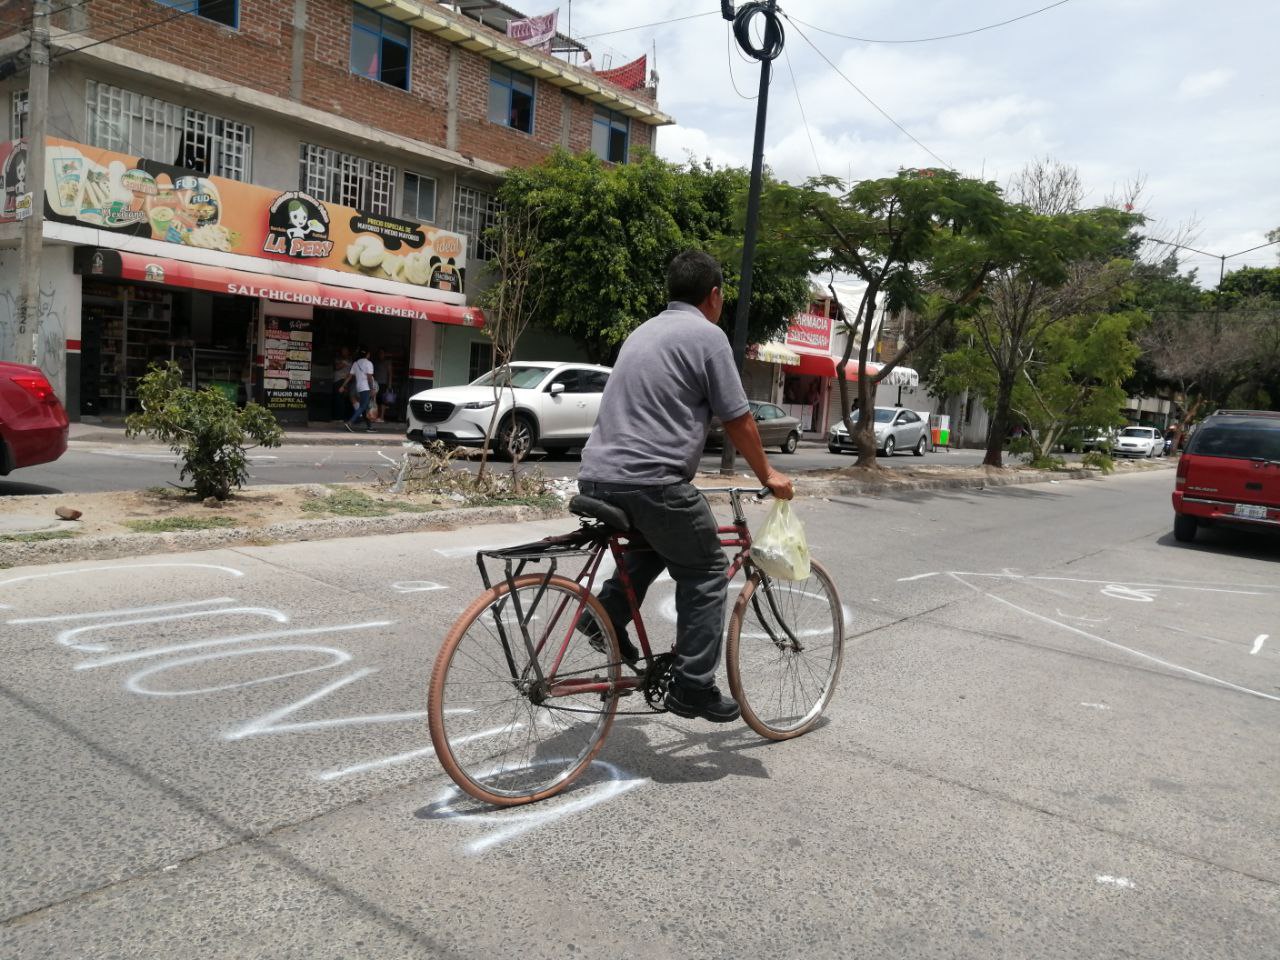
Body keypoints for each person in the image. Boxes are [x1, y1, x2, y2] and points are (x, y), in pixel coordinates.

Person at [577, 250, 794, 724]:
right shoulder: (707, 336)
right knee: (707, 569)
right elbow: (737, 418)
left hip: (596, 475)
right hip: (651, 481)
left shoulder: (644, 330)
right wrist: (769, 476)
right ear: (714, 295)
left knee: (662, 540)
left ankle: (605, 611)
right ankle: (694, 685)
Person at [341, 347, 376, 432]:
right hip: (366, 388)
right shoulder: (369, 363)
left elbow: (350, 376)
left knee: (365, 407)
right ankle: (350, 422)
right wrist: (372, 389)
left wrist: (343, 385)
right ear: (367, 354)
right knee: (363, 406)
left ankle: (369, 427)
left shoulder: (355, 363)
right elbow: (369, 378)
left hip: (358, 387)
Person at [332, 346, 352, 421]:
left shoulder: (350, 360)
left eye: (346, 351)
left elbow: (352, 372)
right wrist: (343, 363)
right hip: (338, 380)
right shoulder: (338, 359)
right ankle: (338, 417)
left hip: (347, 381)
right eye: (343, 351)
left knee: (346, 400)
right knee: (338, 399)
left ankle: (344, 417)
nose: (344, 352)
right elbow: (336, 367)